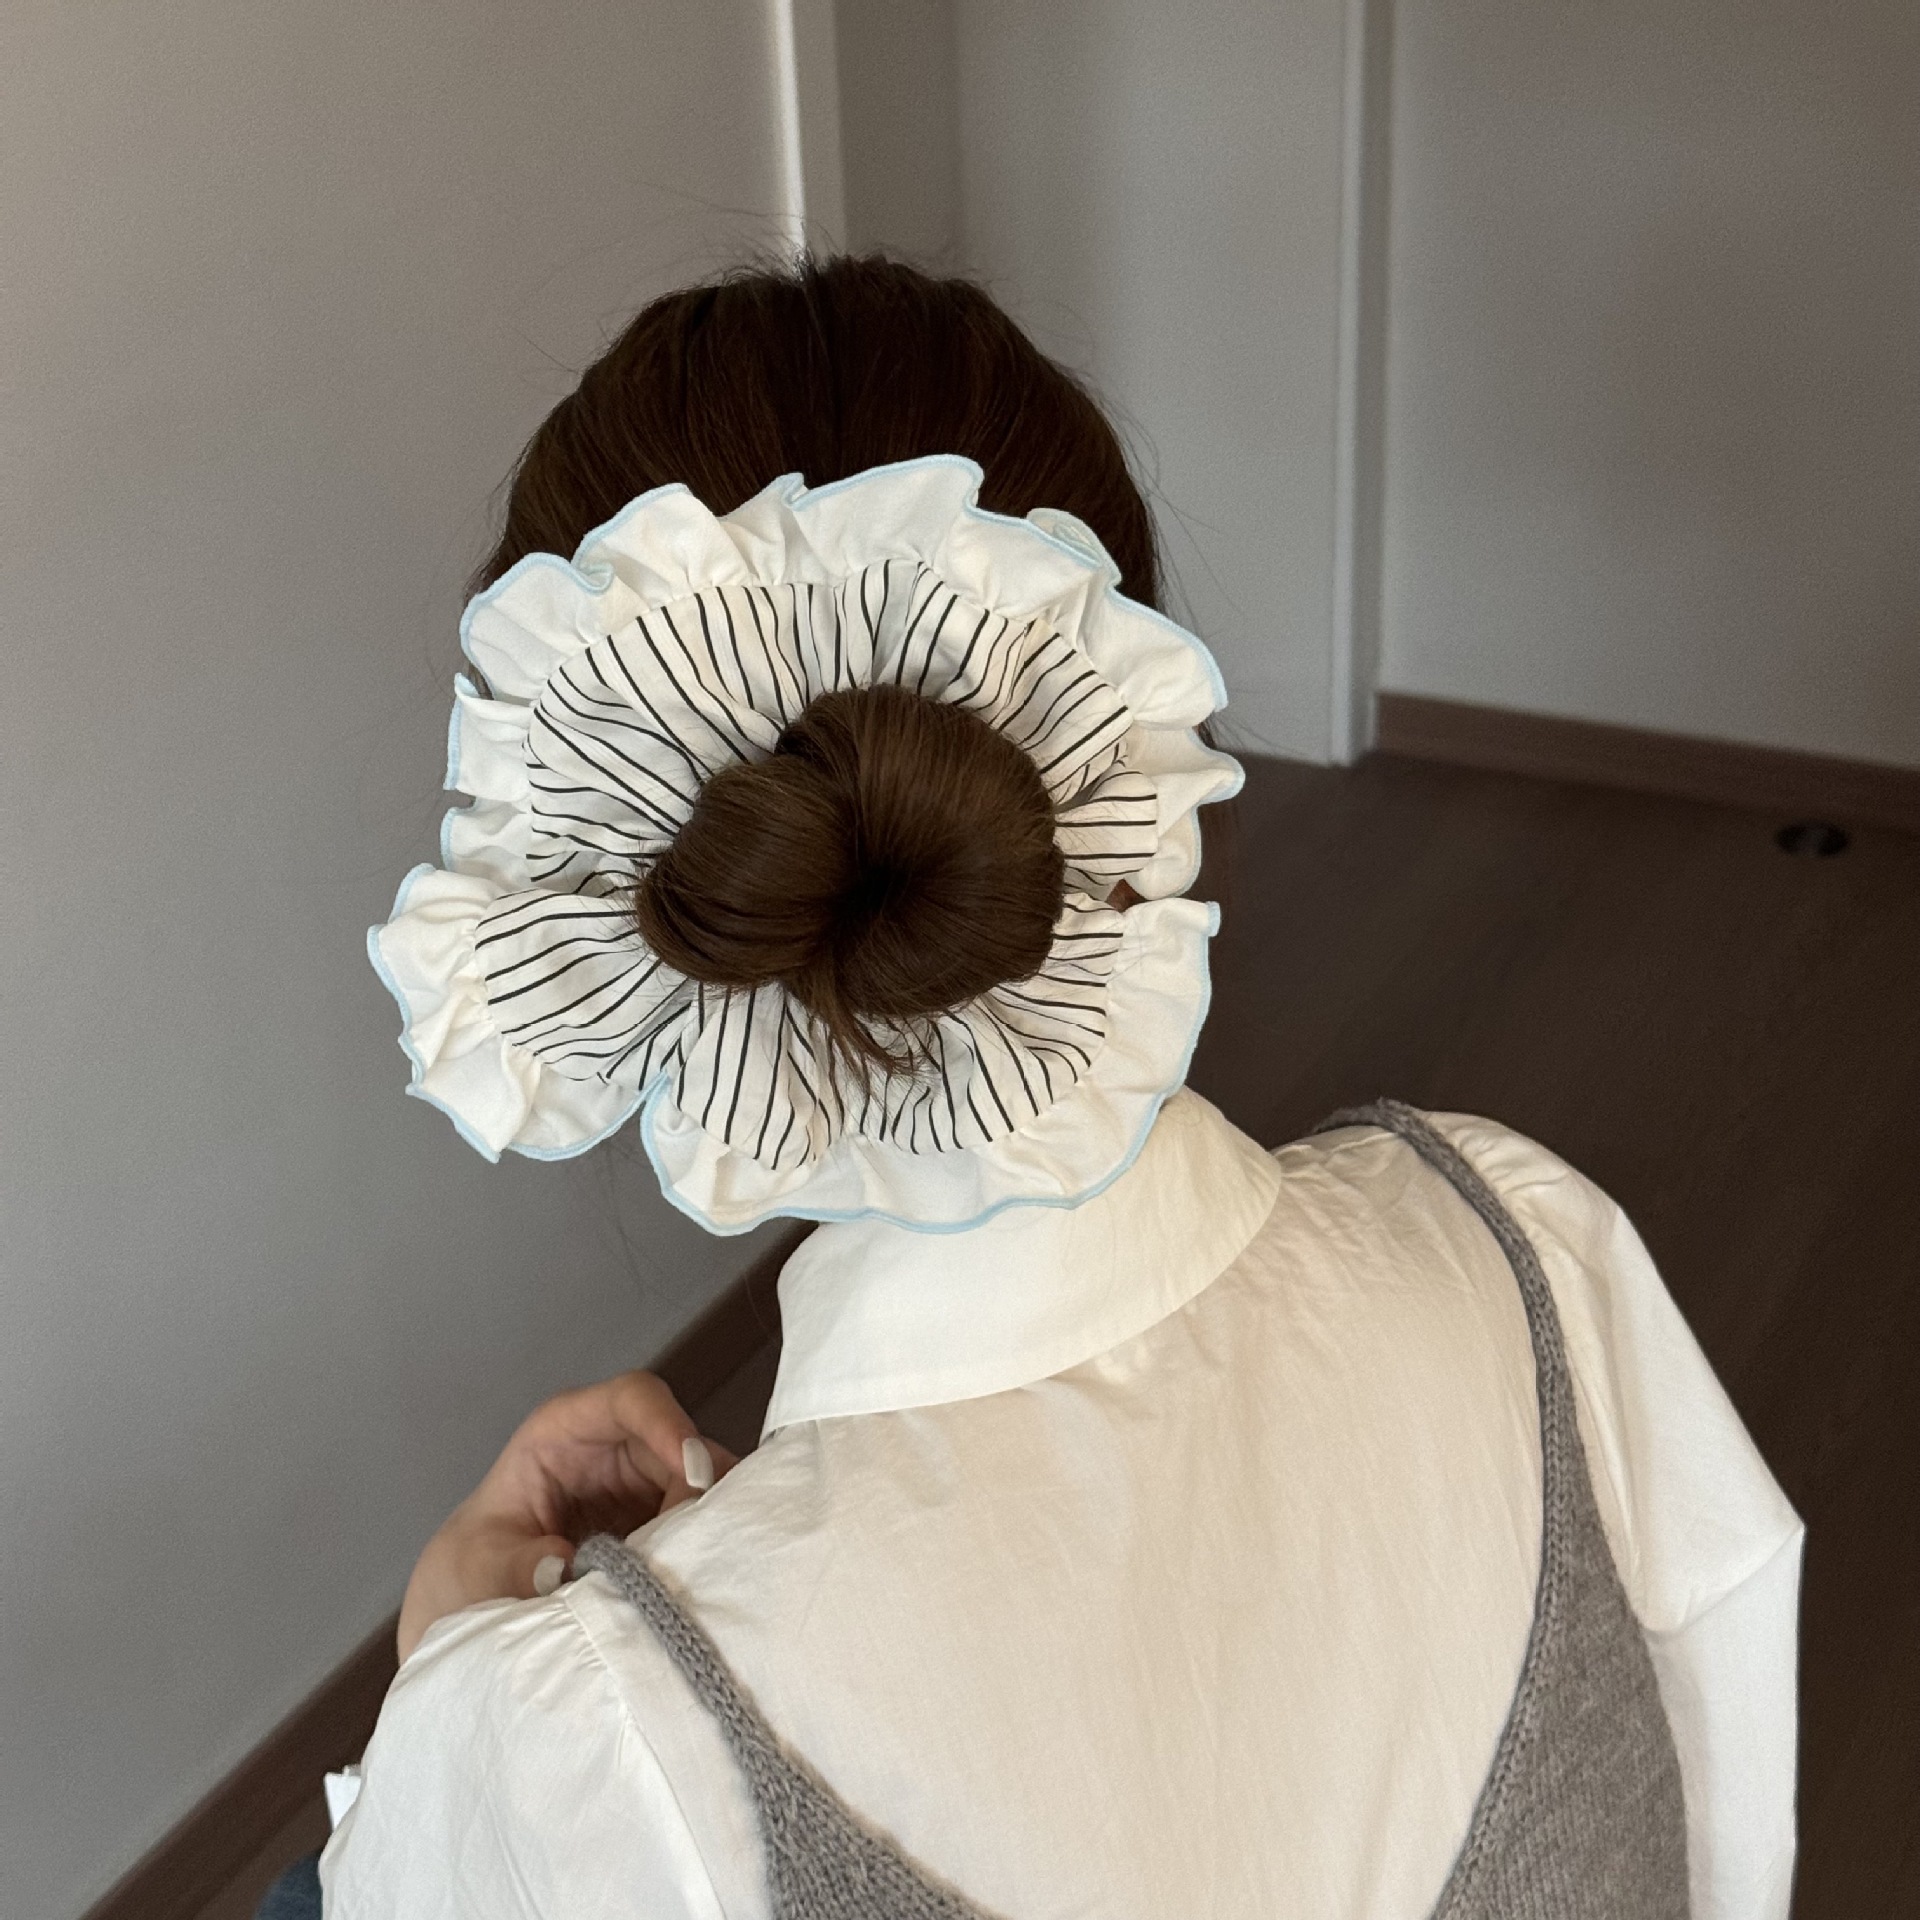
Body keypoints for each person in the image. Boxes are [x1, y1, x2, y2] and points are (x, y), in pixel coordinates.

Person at [295, 258, 1801, 1919]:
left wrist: (449, 1684)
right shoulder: (1523, 1248)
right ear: (1128, 743)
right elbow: (1729, 1838)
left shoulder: (582, 1745)